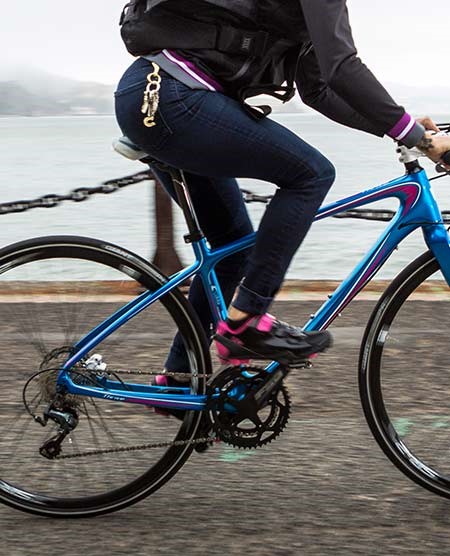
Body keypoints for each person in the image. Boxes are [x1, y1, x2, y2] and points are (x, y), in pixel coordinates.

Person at [115, 0, 450, 374]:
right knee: (311, 174)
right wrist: (415, 136)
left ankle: (178, 381)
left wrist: (403, 128)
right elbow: (343, 66)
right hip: (172, 98)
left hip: (156, 95)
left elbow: (319, 90)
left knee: (231, 250)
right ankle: (246, 321)